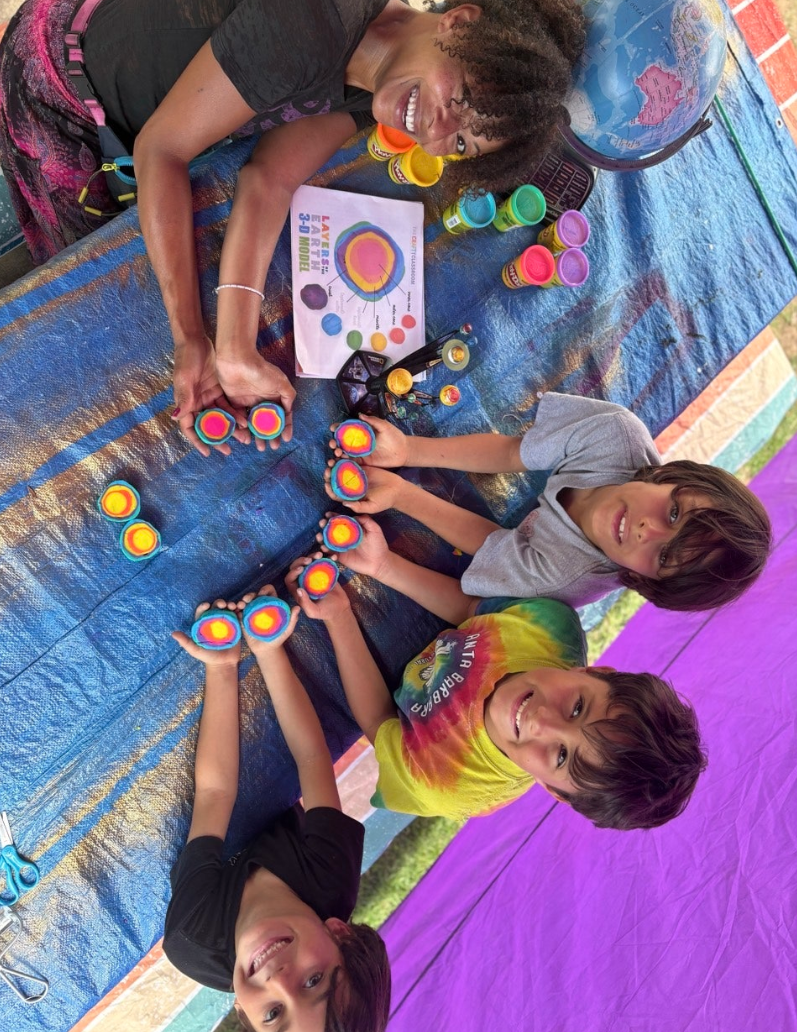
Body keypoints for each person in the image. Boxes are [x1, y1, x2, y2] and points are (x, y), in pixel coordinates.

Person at [0, 0, 586, 456]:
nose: (436, 131)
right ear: (458, 23)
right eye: (458, 98)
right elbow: (162, 148)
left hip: (128, 57)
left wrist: (234, 347)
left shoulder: (380, 63)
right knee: (81, 267)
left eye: (460, 145)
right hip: (58, 76)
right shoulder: (308, 18)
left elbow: (270, 181)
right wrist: (190, 340)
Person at [287, 522, 707, 829]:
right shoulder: (548, 628)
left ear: (553, 791)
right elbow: (472, 611)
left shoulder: (448, 782)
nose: (542, 721)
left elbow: (379, 723)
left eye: (561, 756)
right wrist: (383, 566)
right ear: (597, 671)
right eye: (578, 707)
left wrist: (341, 618)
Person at [167, 586, 391, 1032]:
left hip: (210, 860)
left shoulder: (192, 934)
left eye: (272, 1014)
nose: (280, 982)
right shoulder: (331, 875)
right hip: (279, 823)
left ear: (240, 1013)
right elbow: (311, 758)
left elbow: (214, 793)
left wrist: (223, 667)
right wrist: (268, 649)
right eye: (314, 980)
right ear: (339, 933)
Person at [325, 392, 772, 611]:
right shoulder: (614, 433)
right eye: (674, 512)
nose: (646, 529)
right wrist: (409, 450)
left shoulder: (563, 579)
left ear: (643, 581)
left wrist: (403, 495)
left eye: (661, 556)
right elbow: (510, 452)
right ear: (674, 476)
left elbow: (493, 544)